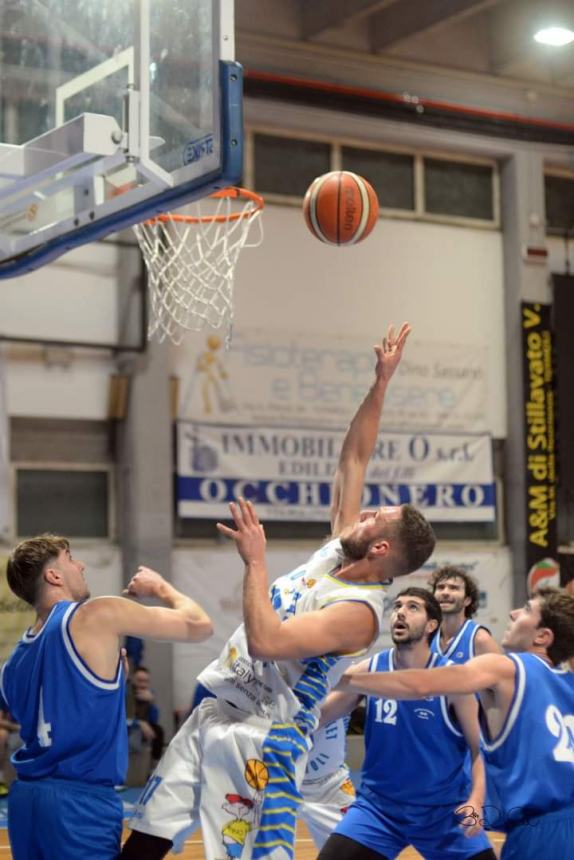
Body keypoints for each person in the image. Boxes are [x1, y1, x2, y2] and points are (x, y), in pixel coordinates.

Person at [121, 323, 437, 860]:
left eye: (377, 516)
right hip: (216, 714)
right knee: (147, 838)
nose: (365, 511)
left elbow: (267, 641)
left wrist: (256, 563)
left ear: (382, 550)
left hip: (262, 737)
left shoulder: (357, 615)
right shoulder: (339, 550)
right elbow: (353, 460)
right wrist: (380, 384)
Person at [0, 535, 213, 860]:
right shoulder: (94, 614)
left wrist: (108, 688)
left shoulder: (12, 664)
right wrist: (160, 588)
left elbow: (59, 708)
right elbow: (200, 626)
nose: (81, 565)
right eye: (70, 558)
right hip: (78, 802)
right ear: (53, 576)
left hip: (26, 801)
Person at [338, 587, 574, 859]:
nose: (513, 612)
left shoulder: (504, 667)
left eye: (527, 610)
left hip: (540, 833)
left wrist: (338, 679)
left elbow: (421, 684)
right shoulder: (568, 683)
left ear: (543, 636)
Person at [316, 587, 496, 860]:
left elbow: (479, 750)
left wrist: (476, 801)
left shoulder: (453, 680)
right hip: (379, 810)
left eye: (413, 607)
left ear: (431, 625)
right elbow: (317, 718)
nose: (400, 611)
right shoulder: (369, 670)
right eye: (397, 605)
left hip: (443, 812)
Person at [429, 565, 501, 661]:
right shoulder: (427, 637)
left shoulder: (480, 639)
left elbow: (501, 675)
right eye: (440, 587)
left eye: (453, 588)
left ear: (467, 600)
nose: (445, 592)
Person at [127, 666, 165, 772]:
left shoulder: (149, 694)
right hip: (127, 727)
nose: (143, 684)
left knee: (158, 730)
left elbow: (154, 719)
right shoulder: (127, 693)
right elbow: (122, 718)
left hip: (142, 728)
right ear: (133, 680)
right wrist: (139, 723)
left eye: (146, 681)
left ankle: (154, 766)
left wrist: (151, 702)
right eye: (139, 681)